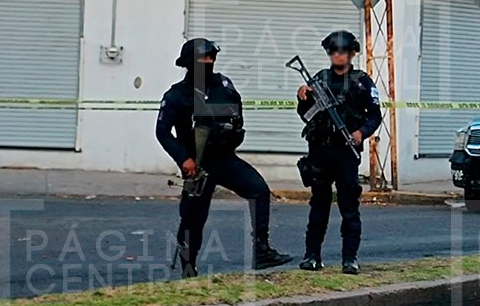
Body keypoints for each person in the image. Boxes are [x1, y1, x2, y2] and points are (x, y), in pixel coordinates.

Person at [156, 38, 293, 278]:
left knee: (259, 191)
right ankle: (189, 267)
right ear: (190, 62)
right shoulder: (177, 95)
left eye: (211, 57)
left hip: (224, 159)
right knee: (193, 218)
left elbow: (237, 115)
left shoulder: (223, 86)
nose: (209, 62)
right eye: (203, 58)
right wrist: (183, 159)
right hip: (197, 165)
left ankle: (262, 251)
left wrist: (234, 135)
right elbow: (163, 132)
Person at [296, 30, 383, 274]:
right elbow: (305, 115)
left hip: (346, 151)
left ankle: (349, 259)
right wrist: (302, 97)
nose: (337, 55)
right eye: (333, 51)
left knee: (348, 206)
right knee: (319, 205)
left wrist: (361, 133)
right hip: (320, 150)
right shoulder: (319, 79)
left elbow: (375, 115)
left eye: (342, 51)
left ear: (352, 53)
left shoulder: (361, 81)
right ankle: (312, 255)